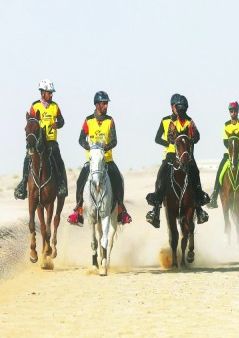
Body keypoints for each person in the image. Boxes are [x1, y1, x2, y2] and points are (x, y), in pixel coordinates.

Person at [67, 91, 132, 226]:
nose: (106, 106)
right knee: (80, 180)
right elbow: (80, 139)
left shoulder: (110, 120)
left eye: (106, 103)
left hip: (107, 160)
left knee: (118, 179)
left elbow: (114, 140)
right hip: (92, 162)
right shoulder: (88, 120)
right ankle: (78, 210)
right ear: (97, 105)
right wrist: (90, 148)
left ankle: (121, 210)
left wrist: (105, 148)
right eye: (103, 103)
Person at [145, 94, 210, 228]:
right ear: (172, 107)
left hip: (186, 155)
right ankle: (156, 209)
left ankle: (199, 206)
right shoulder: (165, 121)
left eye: (182, 107)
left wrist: (189, 141)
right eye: (176, 107)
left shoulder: (189, 121)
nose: (179, 110)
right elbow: (157, 138)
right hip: (170, 155)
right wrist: (171, 144)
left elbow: (197, 136)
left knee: (195, 173)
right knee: (161, 175)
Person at [14, 79, 68, 200]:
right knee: (27, 158)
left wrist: (57, 124)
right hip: (37, 142)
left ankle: (60, 183)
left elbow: (62, 120)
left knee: (58, 159)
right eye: (49, 92)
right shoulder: (35, 106)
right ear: (43, 93)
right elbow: (30, 122)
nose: (51, 95)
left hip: (51, 141)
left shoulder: (55, 106)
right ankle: (23, 184)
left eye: (51, 92)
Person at [207, 101, 239, 209]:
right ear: (229, 112)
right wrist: (232, 149)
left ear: (238, 111)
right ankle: (214, 196)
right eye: (231, 111)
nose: (233, 113)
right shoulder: (226, 125)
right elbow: (224, 141)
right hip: (229, 154)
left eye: (235, 111)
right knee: (220, 172)